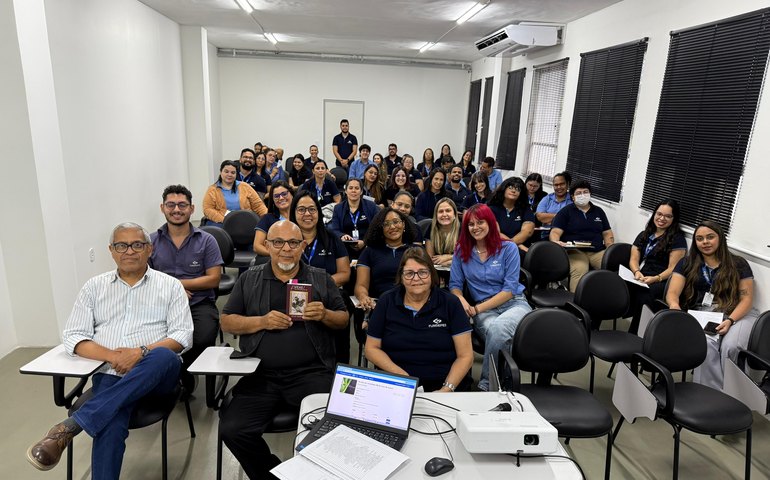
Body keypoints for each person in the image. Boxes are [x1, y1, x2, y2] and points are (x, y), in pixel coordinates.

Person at [26, 223, 193, 477]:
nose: (129, 251)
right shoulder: (94, 287)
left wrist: (140, 352)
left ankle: (71, 426)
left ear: (149, 249)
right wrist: (113, 356)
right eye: (121, 245)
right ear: (111, 251)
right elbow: (74, 335)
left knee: (164, 355)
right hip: (110, 374)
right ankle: (81, 426)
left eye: (137, 245)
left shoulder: (170, 286)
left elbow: (183, 336)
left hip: (159, 375)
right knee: (110, 422)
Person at [218, 221, 348, 480]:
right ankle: (275, 476)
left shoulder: (320, 278)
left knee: (336, 428)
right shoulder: (249, 278)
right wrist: (262, 321)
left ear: (303, 246)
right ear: (267, 246)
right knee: (232, 429)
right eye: (278, 242)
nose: (285, 249)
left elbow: (343, 319)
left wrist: (324, 314)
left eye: (293, 243)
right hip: (261, 374)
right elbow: (227, 320)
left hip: (312, 373)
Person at [666, 220, 758, 389]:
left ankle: (735, 394)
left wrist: (730, 320)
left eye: (710, 237)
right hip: (704, 313)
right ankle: (711, 394)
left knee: (731, 347)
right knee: (705, 345)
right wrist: (674, 307)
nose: (705, 242)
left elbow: (746, 299)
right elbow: (672, 293)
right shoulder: (687, 263)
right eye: (700, 239)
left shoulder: (738, 263)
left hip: (738, 313)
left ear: (720, 238)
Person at [365, 247, 473, 391]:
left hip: (444, 385)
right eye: (409, 273)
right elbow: (371, 348)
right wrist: (402, 377)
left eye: (422, 272)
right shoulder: (386, 301)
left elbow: (465, 356)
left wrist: (446, 389)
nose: (416, 279)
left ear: (432, 274)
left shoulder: (451, 303)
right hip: (396, 383)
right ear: (401, 277)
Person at [449, 204, 531, 391]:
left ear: (491, 223)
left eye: (480, 222)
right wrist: (460, 298)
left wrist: (476, 310)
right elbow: (454, 284)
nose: (475, 227)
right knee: (499, 334)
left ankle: (487, 386)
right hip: (484, 308)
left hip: (514, 304)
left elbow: (510, 289)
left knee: (498, 329)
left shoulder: (508, 248)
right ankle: (506, 384)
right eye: (470, 224)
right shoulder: (462, 251)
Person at [150, 185, 223, 390]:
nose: (176, 209)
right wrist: (174, 289)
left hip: (198, 304)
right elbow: (144, 278)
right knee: (152, 340)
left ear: (191, 209)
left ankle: (183, 373)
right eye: (171, 205)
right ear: (162, 208)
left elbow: (213, 279)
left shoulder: (207, 240)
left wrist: (176, 284)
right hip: (161, 305)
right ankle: (176, 375)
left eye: (182, 205)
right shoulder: (151, 241)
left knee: (201, 339)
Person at [626, 199, 687, 334]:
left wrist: (656, 278)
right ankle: (592, 325)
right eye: (659, 214)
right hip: (640, 275)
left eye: (668, 216)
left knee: (644, 296)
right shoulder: (644, 234)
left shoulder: (677, 239)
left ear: (674, 219)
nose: (662, 218)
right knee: (612, 283)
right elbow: (634, 258)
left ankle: (634, 336)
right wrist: (636, 271)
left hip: (662, 280)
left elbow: (674, 268)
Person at [550, 179, 614, 292]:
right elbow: (555, 232)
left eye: (585, 192)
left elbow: (607, 232)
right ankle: (576, 303)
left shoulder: (599, 211)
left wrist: (610, 248)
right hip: (574, 251)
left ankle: (605, 300)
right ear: (572, 197)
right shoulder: (565, 212)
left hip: (596, 250)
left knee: (611, 265)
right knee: (580, 268)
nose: (582, 195)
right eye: (578, 193)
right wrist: (556, 241)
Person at [354, 208, 417, 309]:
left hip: (413, 302)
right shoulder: (370, 251)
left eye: (396, 222)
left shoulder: (416, 250)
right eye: (386, 224)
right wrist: (364, 297)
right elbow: (361, 285)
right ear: (380, 229)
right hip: (381, 304)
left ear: (403, 224)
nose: (392, 227)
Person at [203, 160, 268, 227]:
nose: (229, 175)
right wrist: (226, 220)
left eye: (233, 172)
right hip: (221, 222)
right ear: (221, 172)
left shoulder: (245, 186)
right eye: (226, 171)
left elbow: (258, 205)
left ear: (236, 174)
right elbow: (208, 209)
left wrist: (268, 217)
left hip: (244, 220)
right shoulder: (212, 190)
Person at [329, 178, 379, 258]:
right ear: (345, 191)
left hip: (367, 246)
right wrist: (342, 236)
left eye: (357, 188)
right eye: (350, 188)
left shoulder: (371, 206)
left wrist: (364, 242)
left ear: (361, 191)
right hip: (346, 248)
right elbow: (335, 229)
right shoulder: (338, 208)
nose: (353, 191)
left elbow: (376, 228)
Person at [488, 177, 535, 253]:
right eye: (510, 188)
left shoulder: (525, 209)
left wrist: (512, 244)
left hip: (520, 249)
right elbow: (496, 233)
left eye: (517, 189)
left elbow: (527, 232)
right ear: (504, 189)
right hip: (498, 247)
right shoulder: (492, 209)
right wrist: (515, 245)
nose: (513, 191)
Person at [253, 181, 294, 257]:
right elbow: (257, 246)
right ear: (273, 200)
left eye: (284, 194)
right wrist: (278, 255)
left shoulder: (301, 217)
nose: (281, 198)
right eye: (276, 196)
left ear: (292, 194)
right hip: (272, 259)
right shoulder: (267, 218)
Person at [535, 171, 571, 239]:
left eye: (562, 184)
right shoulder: (547, 199)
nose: (559, 187)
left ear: (568, 184)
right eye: (556, 185)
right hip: (546, 236)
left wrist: (550, 219)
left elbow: (574, 219)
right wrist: (564, 217)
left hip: (567, 236)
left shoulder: (573, 200)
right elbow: (540, 217)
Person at [425, 198, 460, 267]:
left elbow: (468, 256)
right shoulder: (431, 228)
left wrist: (448, 258)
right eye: (441, 211)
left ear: (455, 214)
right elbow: (430, 258)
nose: (444, 214)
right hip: (437, 270)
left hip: (458, 269)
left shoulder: (462, 229)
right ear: (436, 215)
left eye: (448, 211)